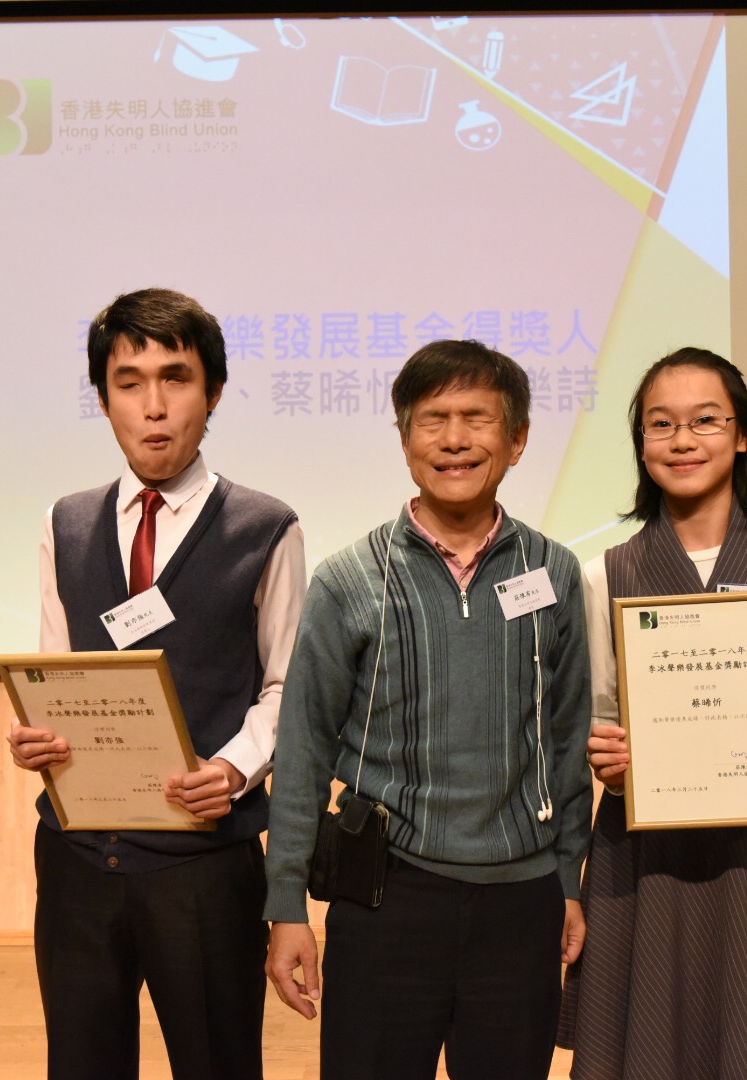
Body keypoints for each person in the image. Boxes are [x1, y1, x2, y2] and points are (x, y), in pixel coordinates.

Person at [262, 339, 593, 1080]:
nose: (453, 439)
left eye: (477, 418)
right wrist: (285, 906)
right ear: (405, 439)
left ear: (517, 439)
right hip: (388, 901)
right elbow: (304, 749)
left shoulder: (554, 572)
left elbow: (568, 743)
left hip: (522, 901)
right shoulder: (349, 580)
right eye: (432, 419)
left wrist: (571, 881)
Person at [6, 287, 306, 1080]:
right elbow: (57, 674)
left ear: (212, 393)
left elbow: (287, 686)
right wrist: (39, 736)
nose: (154, 406)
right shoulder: (64, 523)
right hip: (76, 858)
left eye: (176, 379)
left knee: (216, 1062)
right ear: (103, 398)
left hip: (203, 859)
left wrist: (234, 769)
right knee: (81, 1062)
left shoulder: (266, 527)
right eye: (129, 382)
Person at [557, 347, 747, 1079]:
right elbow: (596, 717)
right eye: (660, 425)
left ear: (742, 434)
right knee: (641, 1042)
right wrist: (610, 759)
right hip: (642, 847)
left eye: (704, 421)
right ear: (640, 445)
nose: (682, 441)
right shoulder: (604, 573)